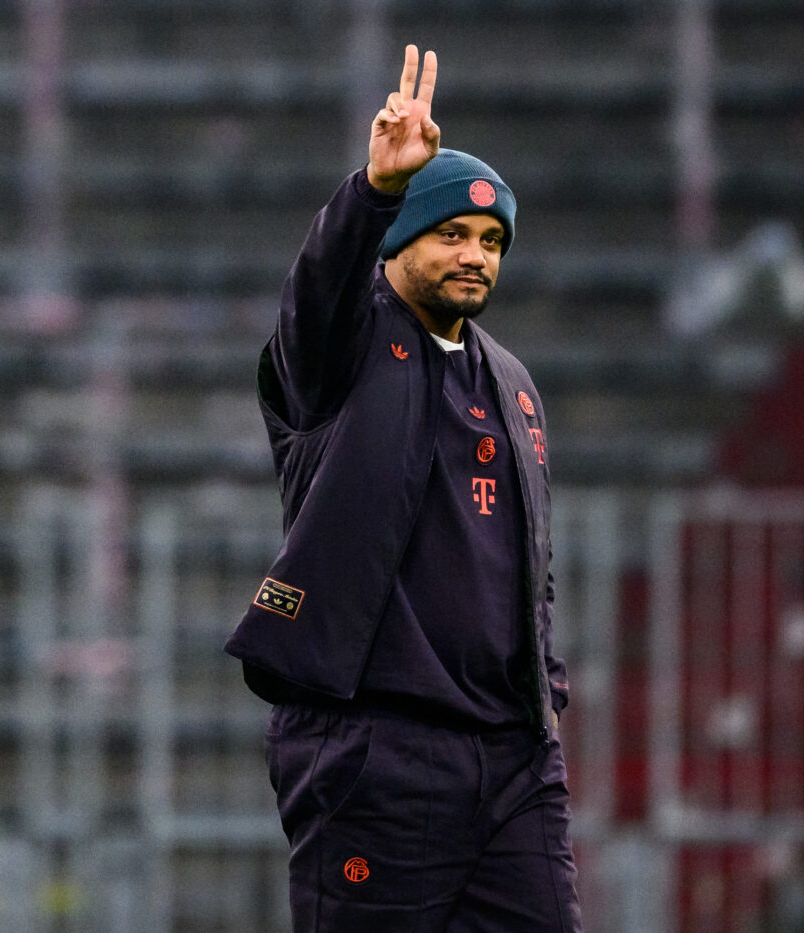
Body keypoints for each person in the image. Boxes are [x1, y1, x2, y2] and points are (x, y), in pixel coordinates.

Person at [223, 44, 581, 932]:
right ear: (398, 239)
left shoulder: (514, 382)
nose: (475, 256)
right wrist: (375, 190)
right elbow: (319, 290)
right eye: (451, 233)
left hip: (512, 759)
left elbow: (530, 563)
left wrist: (547, 694)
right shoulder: (338, 351)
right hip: (376, 751)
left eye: (491, 241)